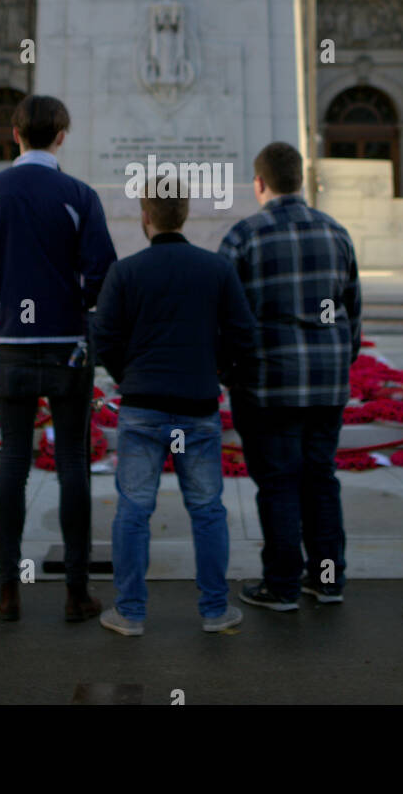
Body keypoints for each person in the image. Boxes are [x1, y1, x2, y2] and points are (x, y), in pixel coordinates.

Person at [0, 95, 117, 623]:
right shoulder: (79, 194)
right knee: (74, 463)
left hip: (13, 348)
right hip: (68, 342)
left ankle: (8, 592)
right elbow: (103, 275)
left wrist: (5, 298)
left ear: (14, 133)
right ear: (62, 136)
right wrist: (69, 297)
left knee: (14, 466)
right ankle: (76, 593)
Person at [92, 188, 257, 636]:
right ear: (183, 215)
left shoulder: (125, 272)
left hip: (144, 406)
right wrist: (215, 369)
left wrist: (128, 375)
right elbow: (244, 334)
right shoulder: (216, 269)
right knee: (207, 509)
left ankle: (129, 612)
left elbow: (102, 336)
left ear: (146, 217)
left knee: (133, 509)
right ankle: (214, 610)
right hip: (197, 405)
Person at [219, 142, 362, 611]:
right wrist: (339, 361)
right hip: (325, 381)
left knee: (278, 482)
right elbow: (352, 311)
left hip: (268, 384)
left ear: (259, 183)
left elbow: (227, 319)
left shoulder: (244, 237)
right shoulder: (336, 233)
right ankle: (328, 579)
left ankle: (281, 584)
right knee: (320, 478)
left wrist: (229, 372)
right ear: (300, 179)